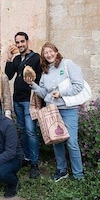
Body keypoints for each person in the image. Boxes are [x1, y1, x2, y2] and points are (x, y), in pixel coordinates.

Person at [25, 42, 85, 181]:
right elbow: (43, 92)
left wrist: (61, 93)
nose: (49, 54)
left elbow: (79, 85)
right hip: (52, 110)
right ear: (43, 56)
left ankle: (78, 175)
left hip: (68, 109)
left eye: (51, 51)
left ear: (56, 52)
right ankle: (61, 170)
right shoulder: (45, 71)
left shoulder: (67, 64)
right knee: (57, 140)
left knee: (72, 142)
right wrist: (32, 84)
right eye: (45, 53)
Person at [4, 31, 42, 179]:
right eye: (17, 42)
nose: (20, 45)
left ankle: (34, 163)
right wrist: (9, 58)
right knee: (22, 130)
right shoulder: (17, 58)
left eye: (22, 42)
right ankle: (26, 157)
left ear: (27, 42)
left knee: (31, 131)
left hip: (29, 100)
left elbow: (40, 78)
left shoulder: (36, 58)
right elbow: (8, 75)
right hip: (17, 100)